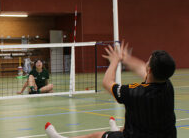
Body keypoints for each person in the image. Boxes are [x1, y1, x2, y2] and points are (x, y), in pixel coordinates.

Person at [46, 41, 176, 138]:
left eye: (148, 61)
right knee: (134, 121)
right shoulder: (168, 86)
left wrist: (114, 61)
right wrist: (125, 58)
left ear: (150, 69)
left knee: (96, 136)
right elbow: (141, 68)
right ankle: (118, 131)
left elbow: (107, 82)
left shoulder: (135, 92)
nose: (145, 63)